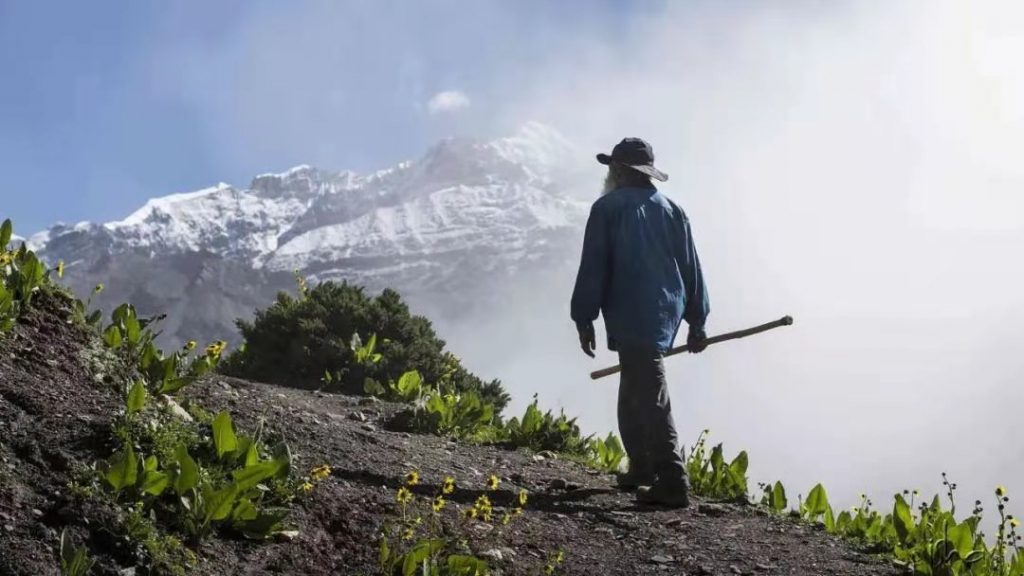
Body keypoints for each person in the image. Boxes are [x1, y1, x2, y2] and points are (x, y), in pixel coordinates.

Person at [570, 137, 710, 508]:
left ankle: (673, 479)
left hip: (632, 308)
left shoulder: (607, 208)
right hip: (665, 310)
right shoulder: (673, 210)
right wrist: (697, 320)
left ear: (618, 171)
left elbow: (594, 267)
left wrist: (584, 316)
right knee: (635, 380)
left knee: (650, 388)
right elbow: (691, 268)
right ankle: (642, 467)